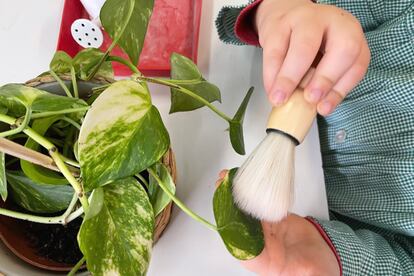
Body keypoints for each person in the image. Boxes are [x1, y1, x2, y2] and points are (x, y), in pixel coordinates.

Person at [215, 0, 414, 275]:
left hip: (316, 226)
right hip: (239, 82)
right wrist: (271, 14)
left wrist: (324, 258)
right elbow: (226, 23)